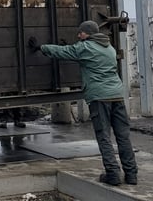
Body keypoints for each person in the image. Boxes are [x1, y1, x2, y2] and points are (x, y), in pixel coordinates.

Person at [31, 20, 138, 186]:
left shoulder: (85, 47)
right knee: (123, 136)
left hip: (99, 97)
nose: (78, 35)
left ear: (88, 33)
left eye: (80, 33)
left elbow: (62, 52)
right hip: (117, 95)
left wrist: (41, 47)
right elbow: (79, 52)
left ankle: (113, 174)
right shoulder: (109, 48)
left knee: (103, 136)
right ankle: (131, 175)